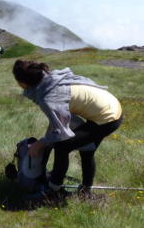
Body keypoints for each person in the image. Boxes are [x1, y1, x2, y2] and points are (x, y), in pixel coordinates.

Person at [12, 60, 123, 200]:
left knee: (62, 147)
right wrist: (45, 140)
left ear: (22, 83)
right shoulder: (51, 80)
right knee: (86, 149)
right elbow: (59, 120)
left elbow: (60, 132)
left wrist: (40, 144)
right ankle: (85, 191)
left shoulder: (48, 96)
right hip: (110, 106)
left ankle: (52, 191)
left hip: (107, 118)